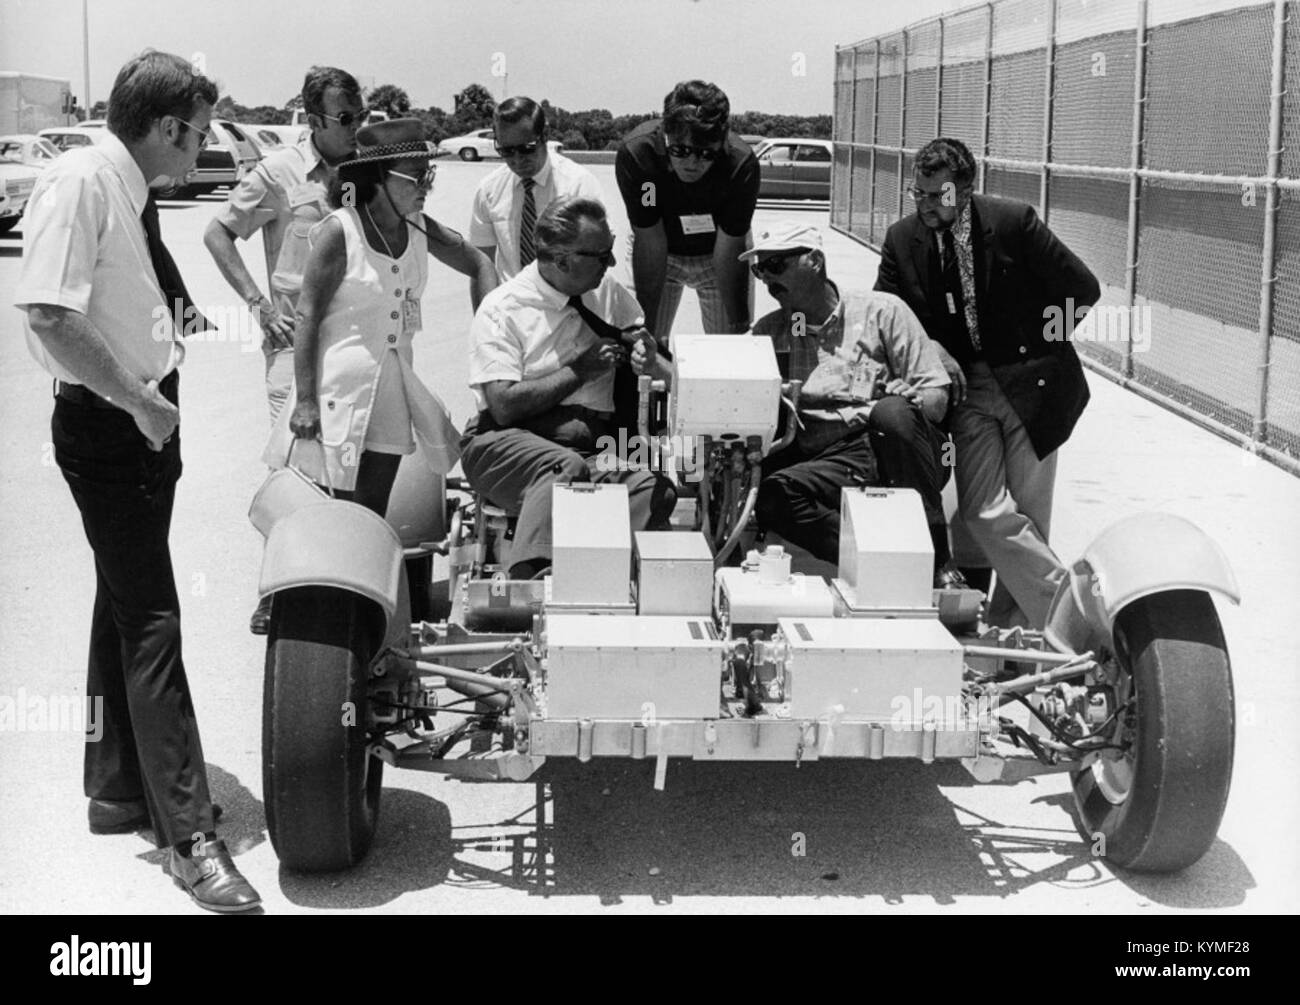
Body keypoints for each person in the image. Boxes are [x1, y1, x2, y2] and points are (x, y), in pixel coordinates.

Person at [14, 50, 260, 912]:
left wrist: (199, 332)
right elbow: (48, 312)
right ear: (165, 128)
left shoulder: (131, 186)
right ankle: (190, 836)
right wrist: (139, 402)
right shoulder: (80, 182)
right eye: (197, 135)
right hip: (112, 424)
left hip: (146, 417)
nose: (203, 150)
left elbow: (151, 282)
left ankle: (116, 785)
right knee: (153, 617)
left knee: (121, 598)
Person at [875, 137, 1100, 628]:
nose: (927, 205)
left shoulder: (1012, 222)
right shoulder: (901, 240)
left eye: (939, 196)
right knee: (982, 512)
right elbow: (886, 316)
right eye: (919, 194)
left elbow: (1082, 289)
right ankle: (1073, 614)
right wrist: (930, 348)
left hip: (1033, 390)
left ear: (968, 189)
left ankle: (1012, 640)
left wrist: (1040, 348)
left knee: (1031, 519)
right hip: (967, 392)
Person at [263, 118, 497, 516]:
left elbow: (478, 262)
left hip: (393, 390)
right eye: (414, 178)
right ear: (376, 179)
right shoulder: (340, 231)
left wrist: (494, 344)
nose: (426, 187)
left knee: (373, 512)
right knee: (333, 513)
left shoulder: (421, 227)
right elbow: (307, 317)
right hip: (336, 396)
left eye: (429, 176)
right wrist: (304, 401)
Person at [203, 65, 365, 633]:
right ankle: (277, 591)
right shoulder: (277, 172)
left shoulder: (363, 170)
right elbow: (217, 233)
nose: (356, 127)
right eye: (346, 118)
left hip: (353, 345)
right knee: (297, 469)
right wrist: (256, 302)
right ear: (315, 118)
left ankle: (345, 591)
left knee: (348, 469)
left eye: (360, 116)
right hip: (291, 347)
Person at [461, 196, 674, 580]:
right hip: (506, 441)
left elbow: (649, 353)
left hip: (588, 446)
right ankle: (531, 578)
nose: (610, 264)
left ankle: (600, 579)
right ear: (561, 260)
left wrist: (650, 360)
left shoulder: (607, 294)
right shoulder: (502, 309)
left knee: (651, 487)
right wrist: (580, 370)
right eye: (601, 255)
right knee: (563, 467)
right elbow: (503, 405)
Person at [746, 224, 961, 586]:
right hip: (833, 460)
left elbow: (938, 401)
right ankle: (877, 565)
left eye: (777, 265)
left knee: (891, 412)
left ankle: (939, 563)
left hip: (899, 446)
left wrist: (910, 396)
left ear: (814, 261)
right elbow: (719, 379)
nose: (767, 278)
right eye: (759, 269)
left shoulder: (883, 312)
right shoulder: (769, 333)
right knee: (774, 496)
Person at [615, 80, 759, 341]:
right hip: (661, 249)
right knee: (642, 343)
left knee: (730, 350)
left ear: (722, 142)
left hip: (718, 252)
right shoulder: (639, 155)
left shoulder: (740, 164)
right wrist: (646, 327)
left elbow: (729, 248)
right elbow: (649, 238)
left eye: (706, 154)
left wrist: (738, 324)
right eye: (680, 151)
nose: (692, 163)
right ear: (665, 133)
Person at [469, 96, 603, 281]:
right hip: (511, 304)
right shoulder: (489, 190)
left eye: (526, 148)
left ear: (545, 135)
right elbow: (482, 264)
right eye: (506, 151)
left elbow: (595, 258)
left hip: (568, 303)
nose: (517, 160)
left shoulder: (578, 185)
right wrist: (485, 310)